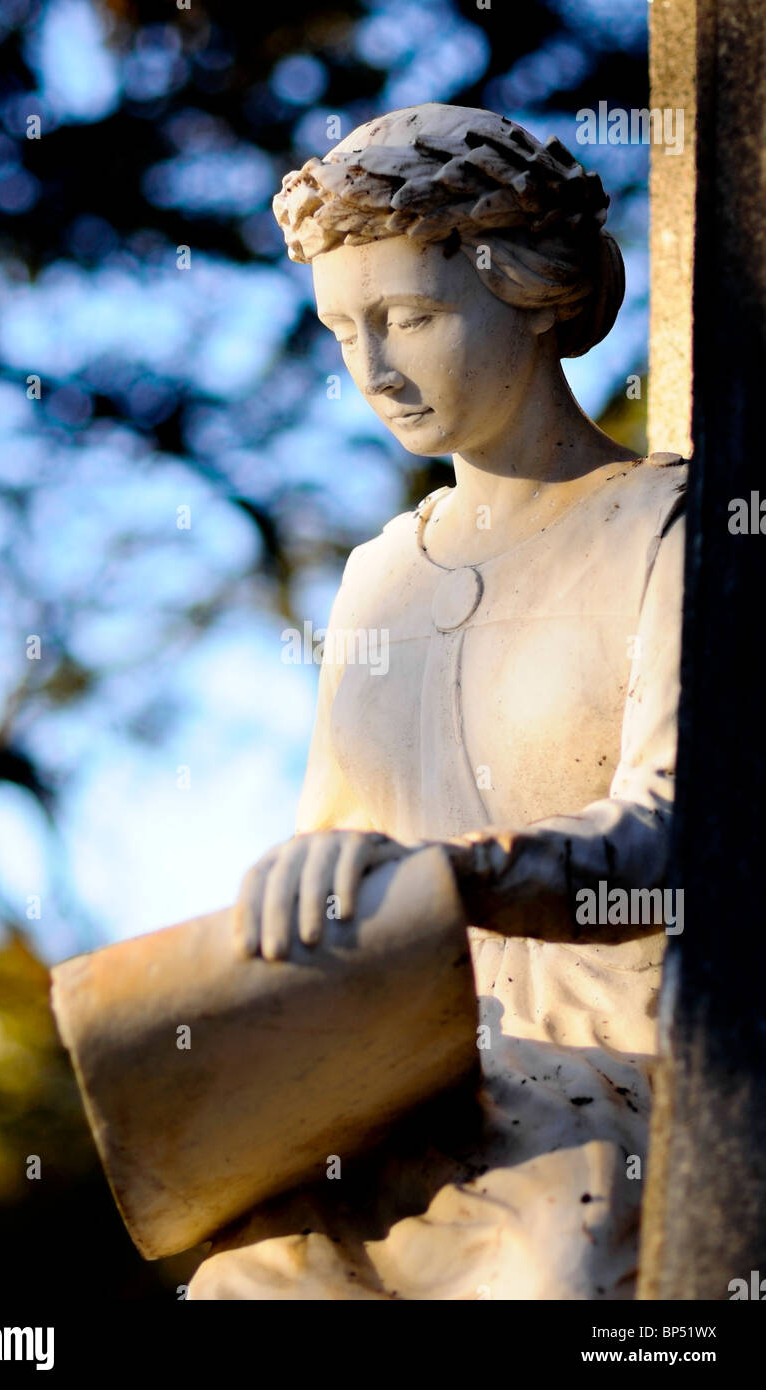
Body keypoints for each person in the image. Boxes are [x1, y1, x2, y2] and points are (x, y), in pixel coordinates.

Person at [187, 103, 687, 1301]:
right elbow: (328, 851)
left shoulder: (665, 523)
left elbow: (678, 832)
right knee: (243, 1281)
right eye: (339, 329)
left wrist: (450, 874)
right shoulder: (375, 580)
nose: (372, 367)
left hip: (616, 1087)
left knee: (545, 1272)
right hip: (397, 1087)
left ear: (530, 293)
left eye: (408, 316)